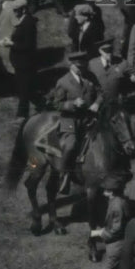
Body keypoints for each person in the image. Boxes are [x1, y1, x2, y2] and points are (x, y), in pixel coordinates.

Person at [50, 51, 99, 185]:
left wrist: (97, 103)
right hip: (70, 120)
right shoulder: (63, 82)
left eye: (83, 66)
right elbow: (56, 104)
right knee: (71, 145)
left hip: (89, 118)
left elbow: (100, 92)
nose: (81, 69)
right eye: (78, 67)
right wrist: (72, 104)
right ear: (71, 65)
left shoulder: (90, 77)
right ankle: (64, 174)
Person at [2, 0, 38, 120]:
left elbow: (28, 45)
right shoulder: (23, 20)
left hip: (25, 61)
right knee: (28, 89)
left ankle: (22, 115)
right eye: (13, 10)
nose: (14, 12)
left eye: (16, 10)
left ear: (24, 9)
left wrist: (11, 44)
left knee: (23, 89)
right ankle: (43, 106)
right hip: (20, 61)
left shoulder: (28, 23)